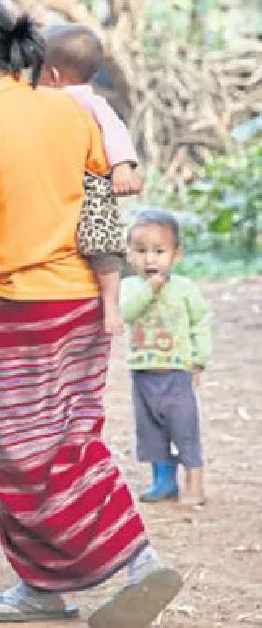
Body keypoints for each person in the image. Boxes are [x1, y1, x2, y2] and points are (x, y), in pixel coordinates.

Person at [0, 0, 181, 628]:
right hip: (83, 302)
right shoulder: (64, 108)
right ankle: (51, 584)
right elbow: (108, 176)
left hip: (22, 311)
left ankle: (126, 560)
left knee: (16, 456)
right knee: (70, 440)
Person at [41, 25, 144, 336]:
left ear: (54, 75)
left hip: (93, 184)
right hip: (62, 180)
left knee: (104, 245)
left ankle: (111, 305)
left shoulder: (86, 101)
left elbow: (116, 132)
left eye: (38, 71)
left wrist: (122, 166)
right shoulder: (43, 98)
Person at [122, 209, 210, 506]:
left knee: (185, 431)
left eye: (159, 251)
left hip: (177, 373)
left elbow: (200, 321)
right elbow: (126, 313)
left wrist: (199, 358)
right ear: (129, 255)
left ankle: (194, 487)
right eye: (141, 251)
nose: (150, 260)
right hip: (143, 374)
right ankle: (163, 482)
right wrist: (149, 289)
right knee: (151, 434)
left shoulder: (185, 289)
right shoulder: (130, 288)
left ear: (176, 254)